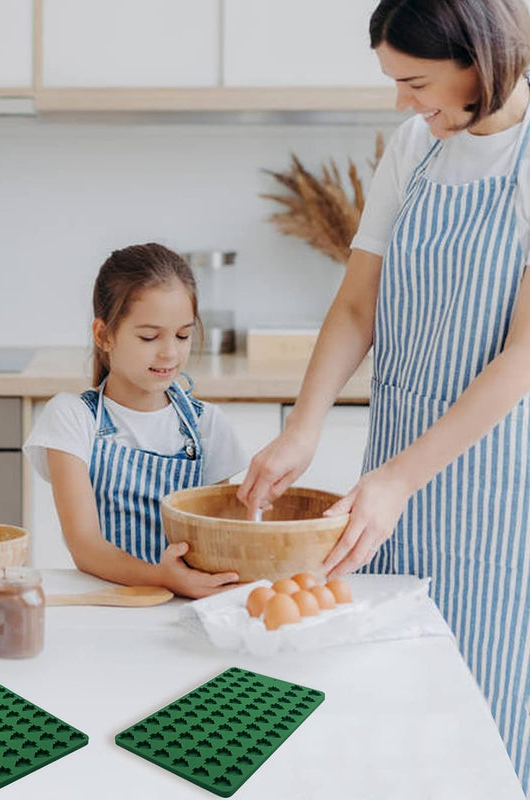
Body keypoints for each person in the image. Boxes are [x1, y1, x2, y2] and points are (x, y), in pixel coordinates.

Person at [237, 0, 530, 791]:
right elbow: (358, 304)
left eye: (415, 81)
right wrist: (303, 429)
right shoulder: (414, 148)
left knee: (481, 697)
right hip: (390, 477)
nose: (403, 102)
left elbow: (525, 353)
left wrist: (402, 478)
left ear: (481, 58)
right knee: (394, 702)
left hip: (491, 485)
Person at [24, 242, 247, 599]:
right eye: (149, 336)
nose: (170, 352)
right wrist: (164, 578)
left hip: (188, 608)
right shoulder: (73, 418)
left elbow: (217, 540)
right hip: (107, 608)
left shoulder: (207, 426)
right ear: (104, 335)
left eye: (182, 335)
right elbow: (85, 547)